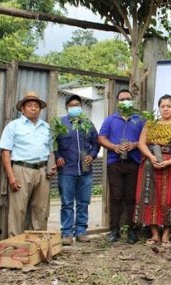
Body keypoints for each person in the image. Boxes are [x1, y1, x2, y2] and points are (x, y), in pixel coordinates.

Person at [134, 94, 171, 249]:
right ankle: (154, 234)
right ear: (159, 108)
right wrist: (151, 157)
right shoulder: (150, 124)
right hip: (150, 164)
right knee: (150, 197)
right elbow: (141, 144)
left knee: (169, 199)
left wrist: (170, 161)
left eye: (169, 106)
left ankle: (166, 234)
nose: (165, 109)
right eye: (162, 106)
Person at [0, 91, 56, 237]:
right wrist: (11, 176)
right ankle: (15, 242)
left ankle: (38, 243)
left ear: (40, 109)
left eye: (36, 106)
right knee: (18, 209)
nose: (33, 108)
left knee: (41, 209)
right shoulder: (13, 126)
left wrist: (52, 166)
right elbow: (5, 153)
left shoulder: (46, 127)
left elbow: (51, 150)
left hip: (42, 171)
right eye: (29, 105)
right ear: (22, 109)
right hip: (21, 169)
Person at [99, 89, 145, 243]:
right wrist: (113, 147)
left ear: (132, 101)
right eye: (122, 99)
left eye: (128, 98)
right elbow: (101, 138)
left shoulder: (140, 119)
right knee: (116, 197)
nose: (125, 101)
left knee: (132, 198)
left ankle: (132, 231)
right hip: (115, 163)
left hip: (134, 163)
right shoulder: (110, 120)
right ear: (117, 102)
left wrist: (135, 144)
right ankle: (114, 230)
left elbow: (147, 139)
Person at [55, 94, 100, 246]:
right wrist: (57, 156)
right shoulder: (60, 124)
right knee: (66, 203)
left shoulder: (88, 123)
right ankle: (66, 232)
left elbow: (96, 143)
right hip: (67, 170)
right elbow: (52, 143)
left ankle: (81, 231)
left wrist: (92, 155)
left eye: (77, 105)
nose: (75, 107)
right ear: (66, 107)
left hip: (85, 171)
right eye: (72, 105)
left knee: (83, 202)